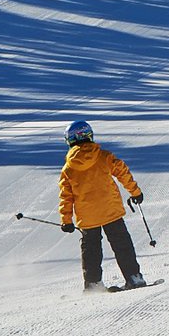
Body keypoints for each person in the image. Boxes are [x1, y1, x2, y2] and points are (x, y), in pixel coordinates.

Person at [58, 119, 149, 291]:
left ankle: (93, 284)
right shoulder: (104, 156)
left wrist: (66, 220)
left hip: (88, 216)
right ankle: (134, 277)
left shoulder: (68, 169)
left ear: (69, 141)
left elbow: (66, 197)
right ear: (89, 136)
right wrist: (135, 192)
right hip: (111, 210)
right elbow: (122, 172)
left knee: (91, 249)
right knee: (121, 243)